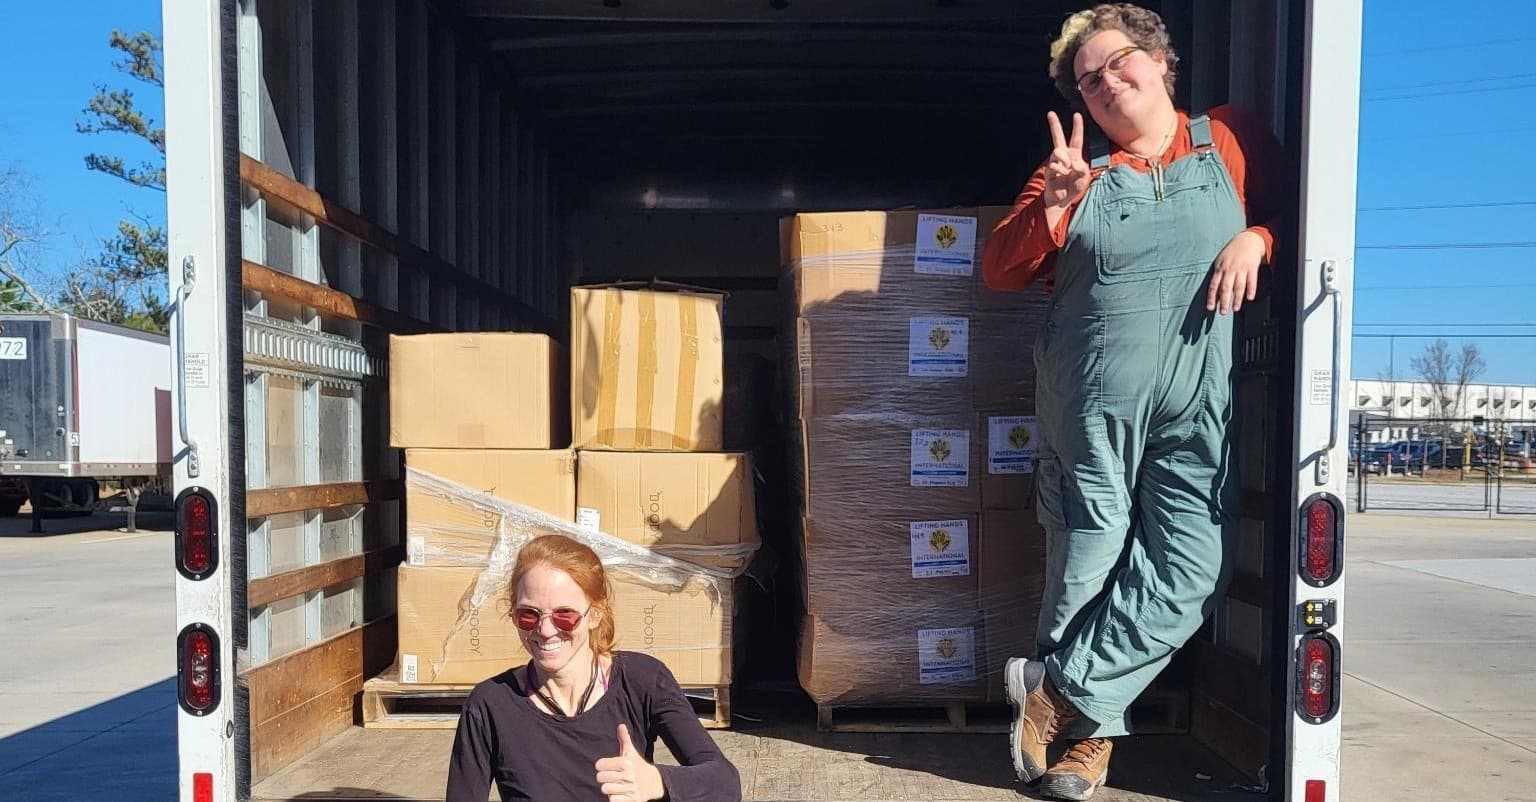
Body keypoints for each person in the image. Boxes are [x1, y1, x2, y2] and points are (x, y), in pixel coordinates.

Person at [980, 4, 1284, 800]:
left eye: (1118, 64)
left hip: (1195, 402)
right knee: (1085, 564)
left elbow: (1301, 218)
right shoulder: (1072, 170)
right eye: (1089, 80)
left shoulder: (1232, 139)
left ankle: (1059, 694)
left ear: (1158, 61)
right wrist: (1053, 204)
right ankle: (1090, 748)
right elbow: (1001, 271)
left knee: (1192, 568)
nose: (1108, 84)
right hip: (1090, 405)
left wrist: (1260, 239)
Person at [446, 534, 742, 802]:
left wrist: (656, 781)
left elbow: (725, 783)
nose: (545, 630)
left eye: (565, 615)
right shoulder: (489, 705)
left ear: (594, 615)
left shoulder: (642, 680)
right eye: (528, 615)